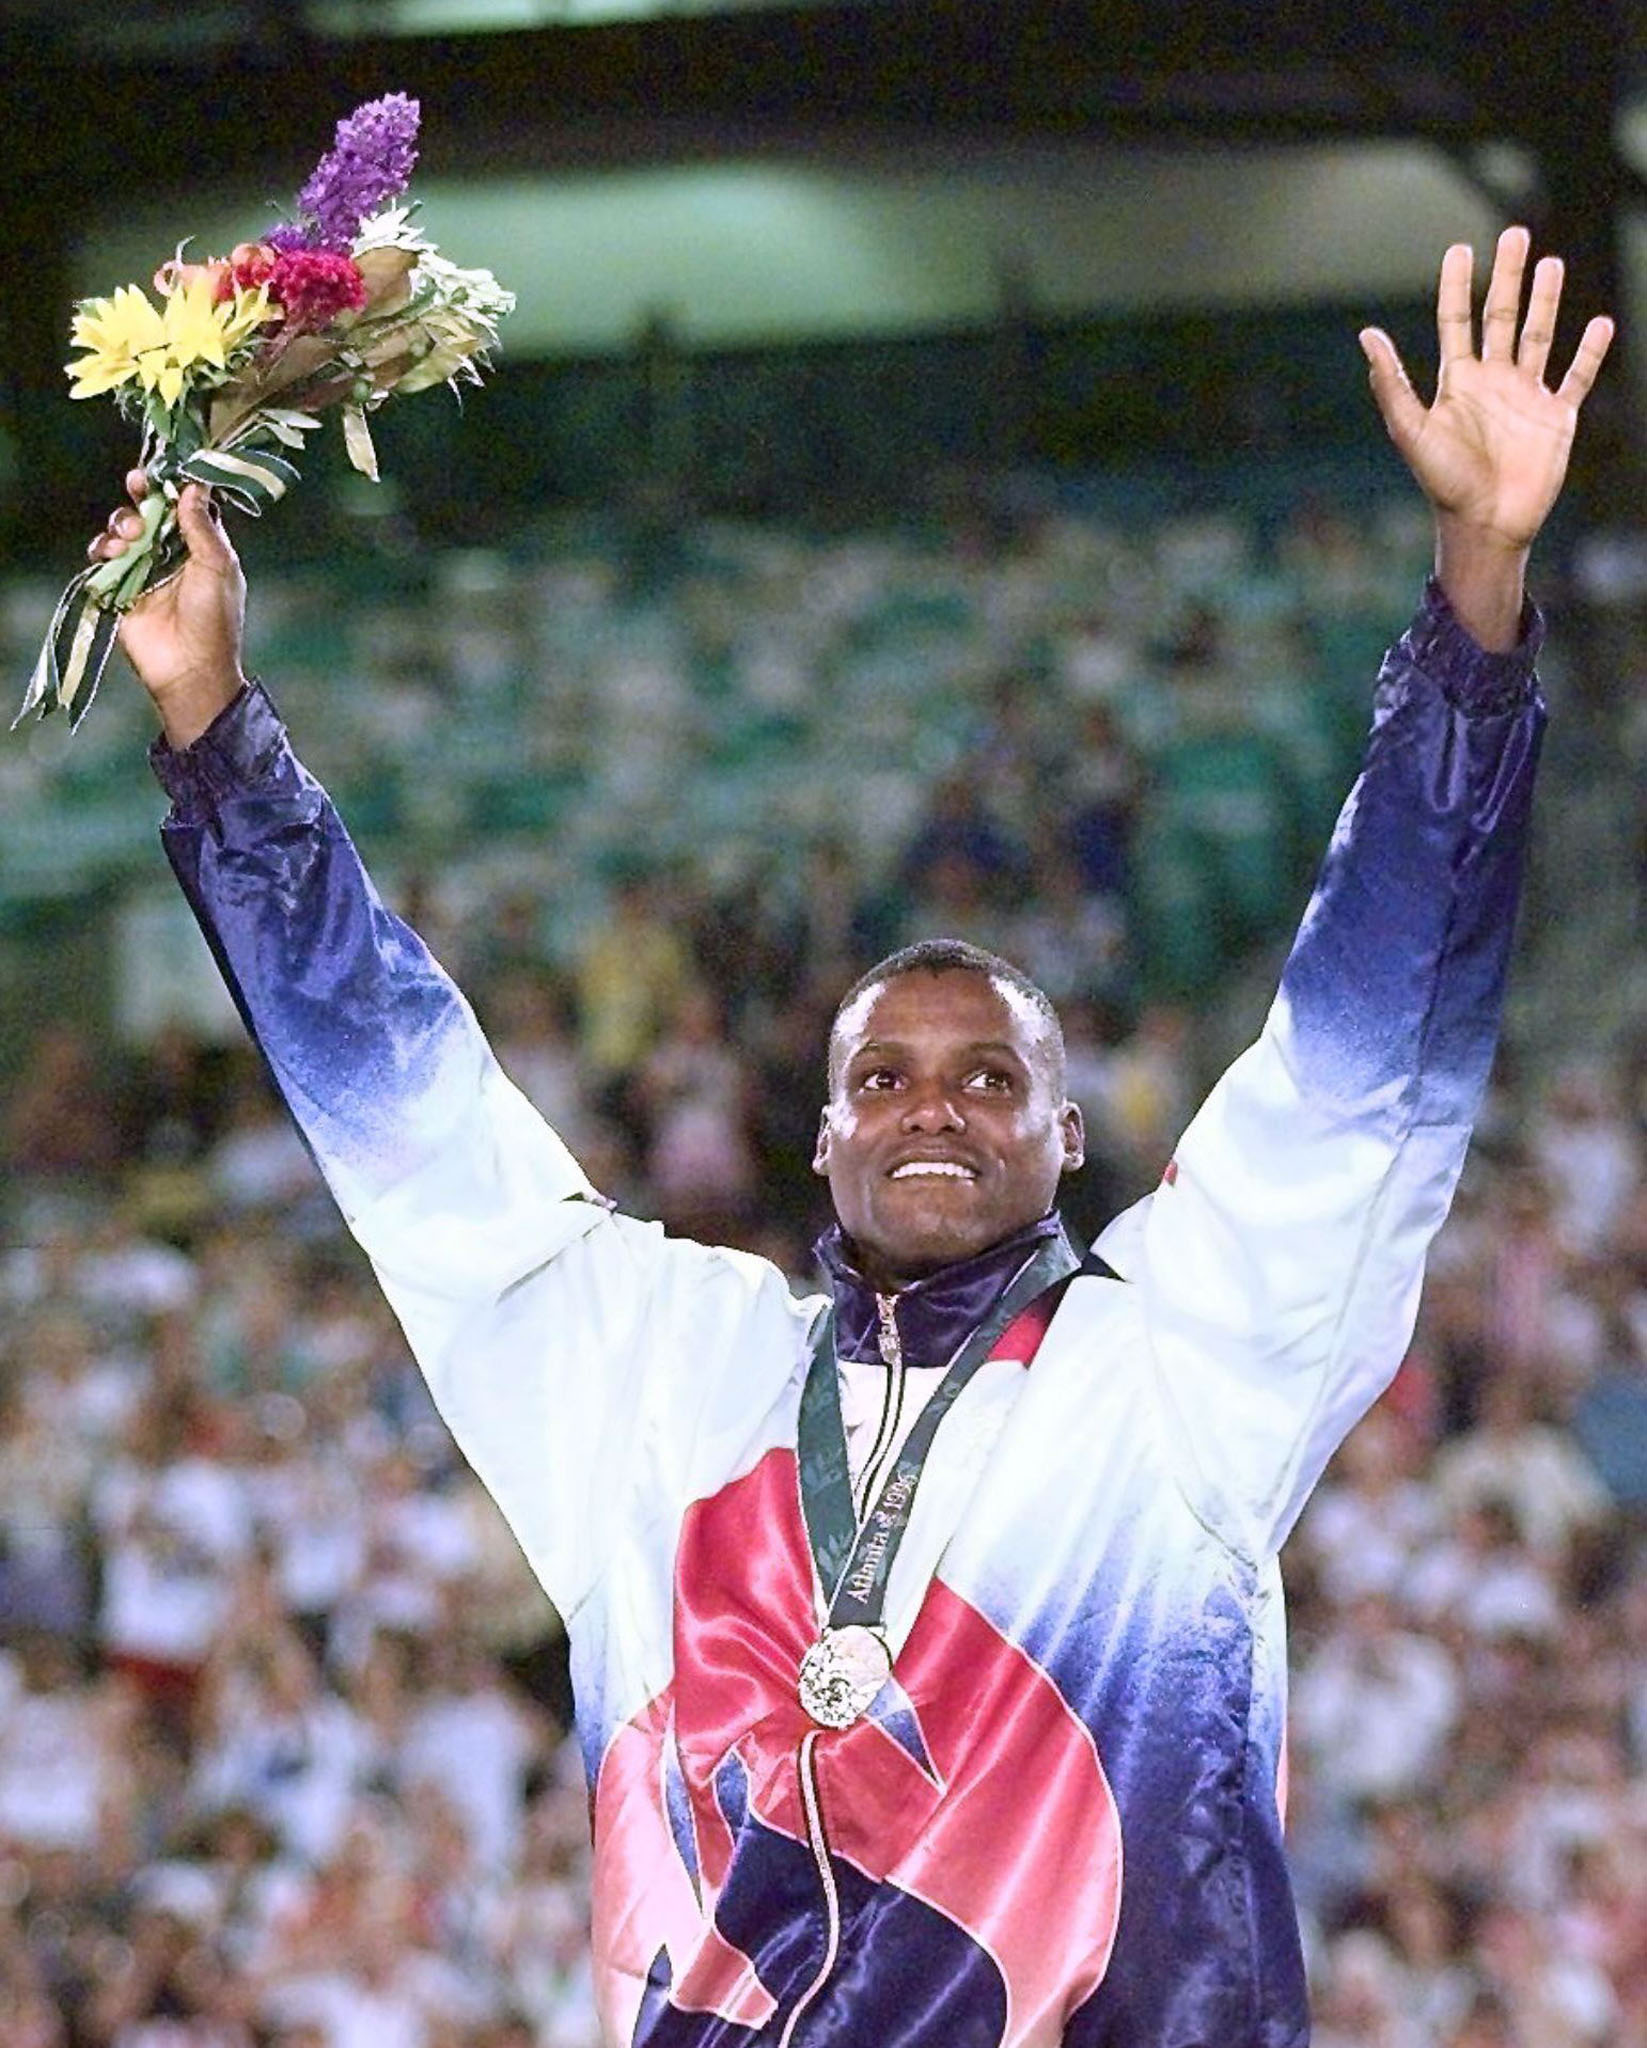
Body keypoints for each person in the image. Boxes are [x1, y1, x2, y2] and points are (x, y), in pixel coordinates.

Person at [86, 227, 1610, 2046]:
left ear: (1070, 1134)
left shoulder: (1179, 1370)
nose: (933, 1107)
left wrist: (1479, 587)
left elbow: (1367, 1043)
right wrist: (210, 727)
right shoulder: (661, 1379)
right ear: (818, 1141)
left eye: (989, 1077)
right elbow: (418, 1116)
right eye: (882, 1077)